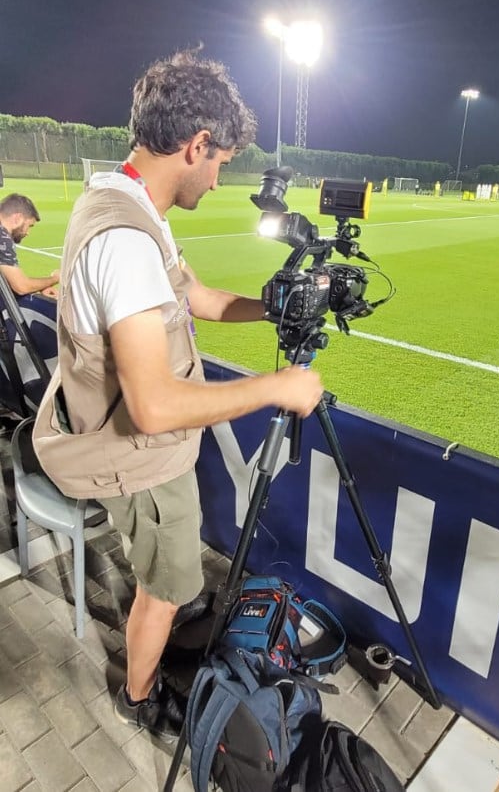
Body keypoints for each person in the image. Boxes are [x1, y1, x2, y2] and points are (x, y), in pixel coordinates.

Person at [32, 48, 324, 740]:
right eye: (221, 160)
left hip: (133, 445)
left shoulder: (125, 198)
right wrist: (276, 385)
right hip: (138, 458)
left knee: (174, 579)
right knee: (163, 590)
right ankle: (139, 696)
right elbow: (154, 406)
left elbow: (195, 297)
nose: (220, 178)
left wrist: (274, 305)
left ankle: (166, 615)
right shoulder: (126, 240)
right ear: (196, 145)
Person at [0, 194, 60, 298]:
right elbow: (21, 287)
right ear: (17, 218)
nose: (28, 233)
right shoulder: (3, 238)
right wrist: (55, 278)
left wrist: (39, 287)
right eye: (29, 226)